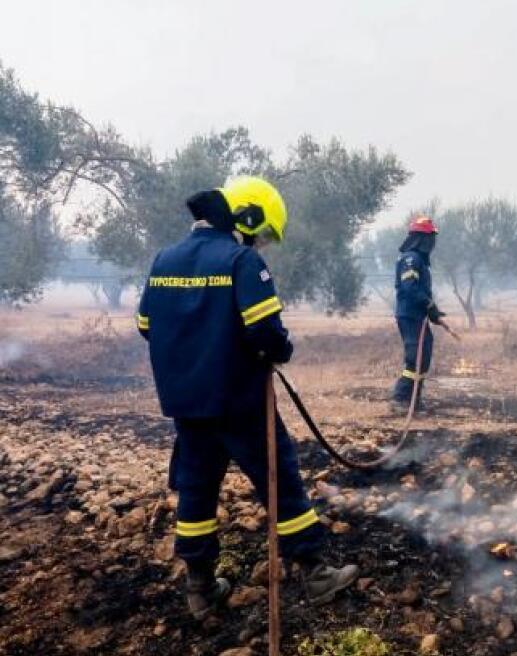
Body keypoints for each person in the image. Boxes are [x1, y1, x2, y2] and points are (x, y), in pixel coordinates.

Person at [135, 176, 358, 619]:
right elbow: (265, 331)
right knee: (281, 480)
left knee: (197, 489)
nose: (259, 243)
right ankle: (315, 574)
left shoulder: (164, 260)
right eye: (261, 233)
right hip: (239, 400)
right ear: (248, 216)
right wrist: (279, 351)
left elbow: (145, 326)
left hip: (187, 406)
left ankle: (200, 589)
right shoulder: (240, 261)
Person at [391, 214, 444, 411]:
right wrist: (428, 304)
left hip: (418, 316)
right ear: (421, 239)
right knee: (415, 357)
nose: (432, 243)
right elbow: (410, 288)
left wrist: (433, 312)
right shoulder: (410, 260)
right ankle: (400, 399)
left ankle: (414, 399)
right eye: (430, 239)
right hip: (410, 316)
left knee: (424, 354)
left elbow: (419, 291)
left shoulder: (419, 261)